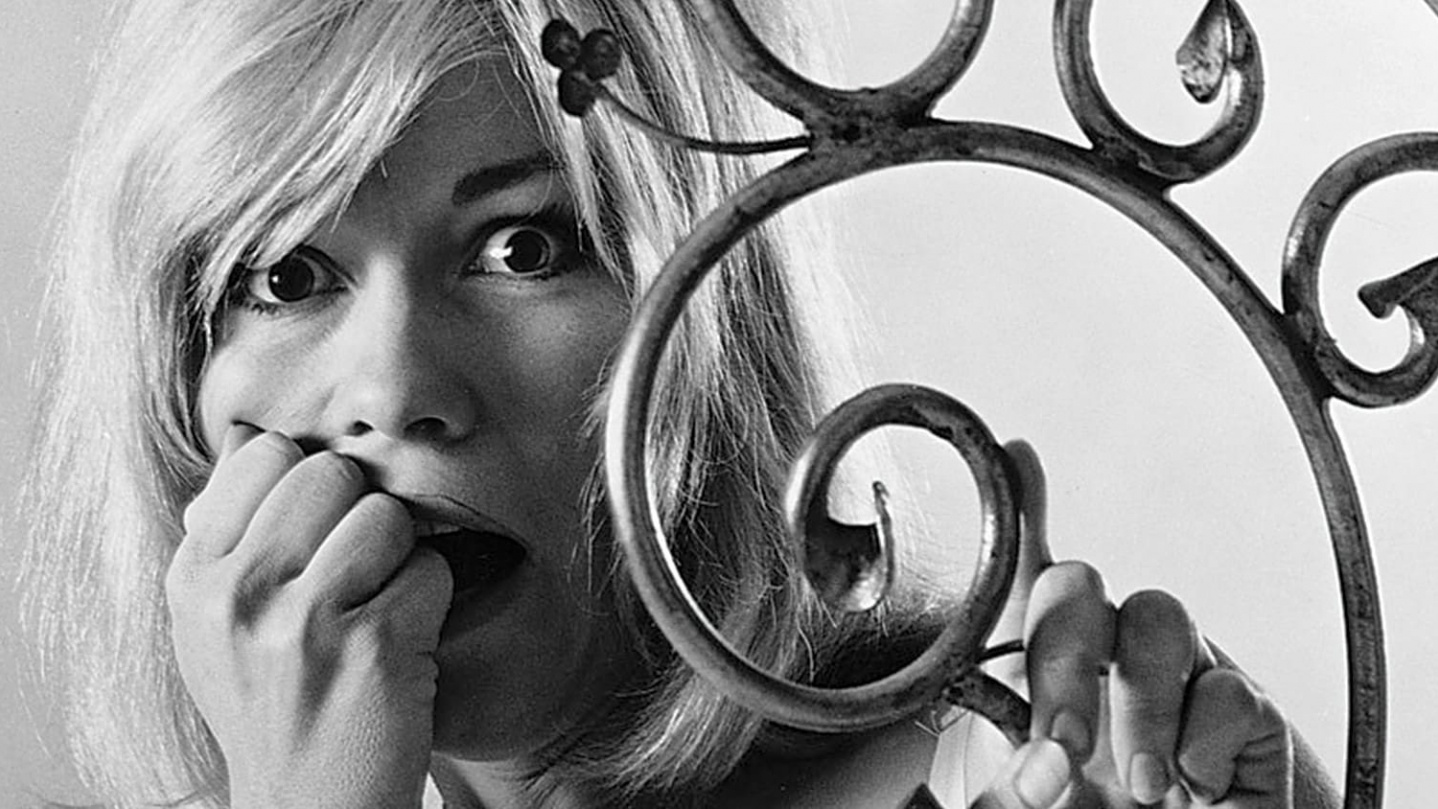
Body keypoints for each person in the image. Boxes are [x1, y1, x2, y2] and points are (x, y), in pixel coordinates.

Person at [19, 0, 1337, 807]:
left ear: (713, 314)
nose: (395, 391)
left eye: (525, 248)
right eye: (285, 276)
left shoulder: (1008, 780)